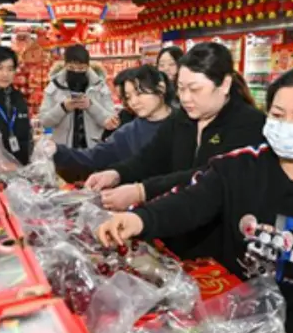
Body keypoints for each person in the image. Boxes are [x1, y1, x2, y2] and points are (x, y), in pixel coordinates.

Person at [96, 64, 293, 333]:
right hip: (235, 315)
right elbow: (191, 200)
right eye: (277, 115)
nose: (287, 126)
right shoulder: (239, 166)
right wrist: (140, 219)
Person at [85, 41, 265, 220]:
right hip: (175, 222)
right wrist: (116, 173)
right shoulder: (182, 118)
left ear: (224, 84)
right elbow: (150, 157)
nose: (185, 98)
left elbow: (207, 177)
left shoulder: (249, 124)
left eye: (194, 89)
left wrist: (142, 191)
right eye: (181, 88)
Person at [52, 65, 174, 178]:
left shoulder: (182, 123)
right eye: (128, 97)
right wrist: (56, 150)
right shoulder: (129, 133)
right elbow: (93, 157)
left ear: (161, 88)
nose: (133, 102)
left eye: (139, 93)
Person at [39, 44, 116, 149]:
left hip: (93, 149)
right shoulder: (55, 87)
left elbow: (111, 121)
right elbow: (45, 122)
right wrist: (63, 108)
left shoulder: (100, 87)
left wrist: (91, 106)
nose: (76, 72)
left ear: (87, 66)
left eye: (81, 68)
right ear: (65, 65)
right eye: (71, 67)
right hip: (64, 150)